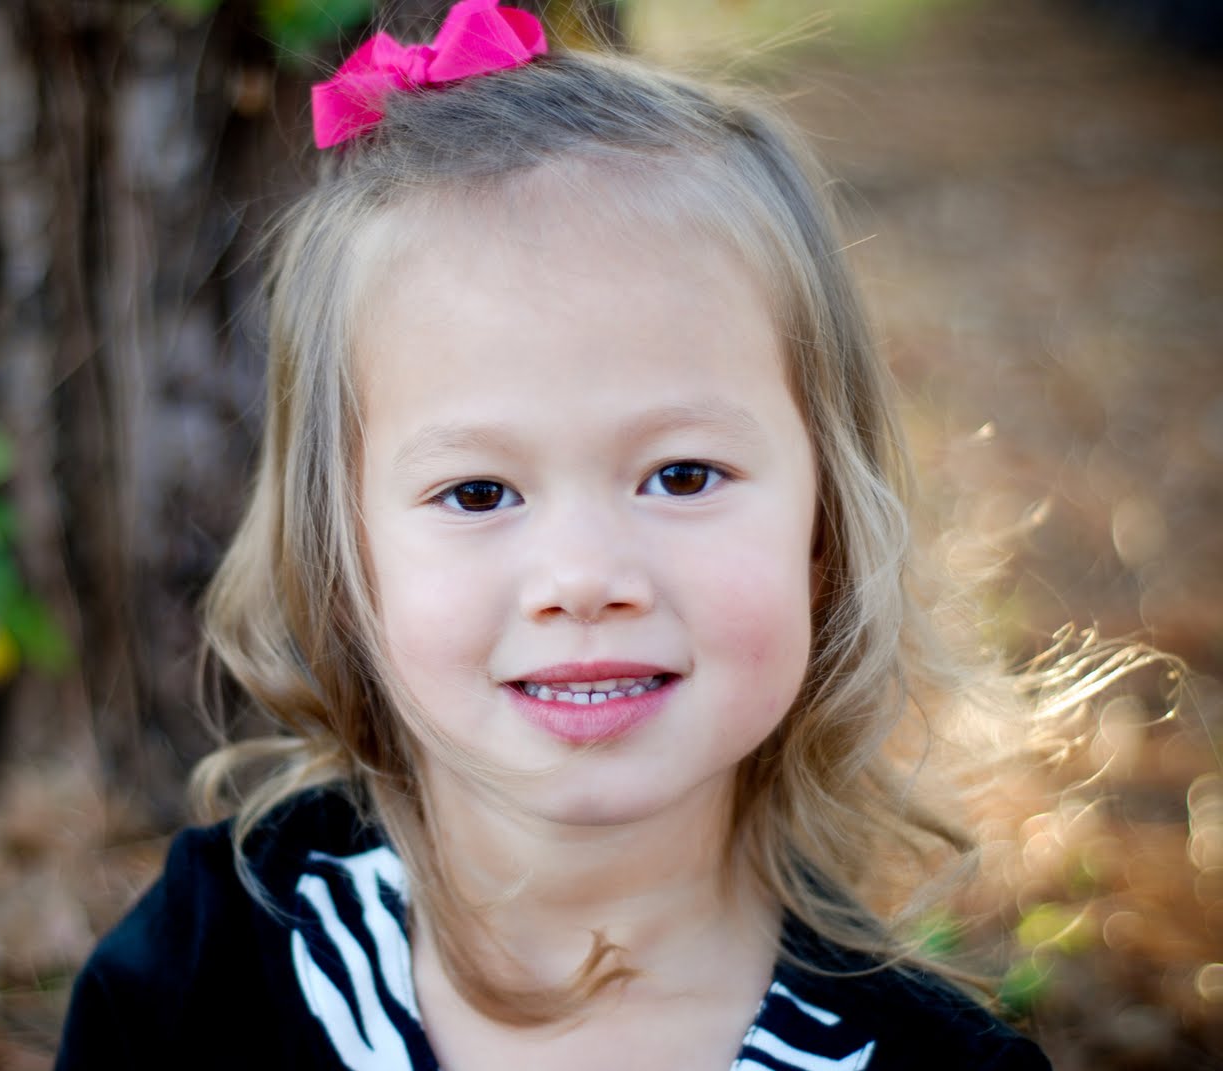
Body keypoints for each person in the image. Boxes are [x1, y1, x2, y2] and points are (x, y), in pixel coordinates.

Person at [56, 2, 1073, 1067]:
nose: (584, 578)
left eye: (682, 476)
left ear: (824, 526)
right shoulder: (198, 979)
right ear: (345, 555)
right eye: (478, 493)